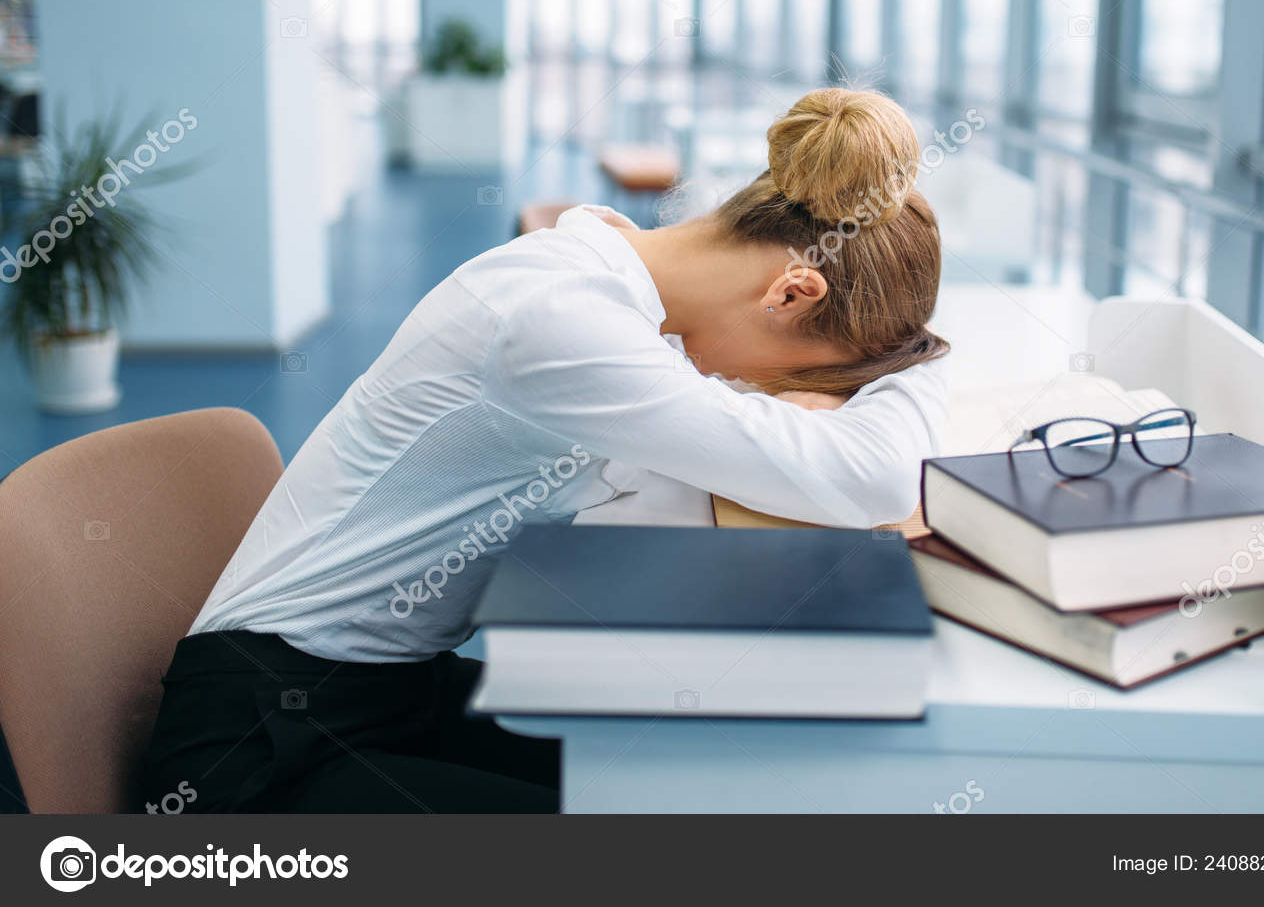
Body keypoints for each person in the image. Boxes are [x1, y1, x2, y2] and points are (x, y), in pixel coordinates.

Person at [137, 87, 950, 813]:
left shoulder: (615, 277)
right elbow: (871, 477)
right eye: (808, 375)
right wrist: (926, 355)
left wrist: (864, 368)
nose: (771, 389)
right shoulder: (560, 320)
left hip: (386, 692)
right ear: (792, 292)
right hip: (255, 750)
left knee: (685, 784)